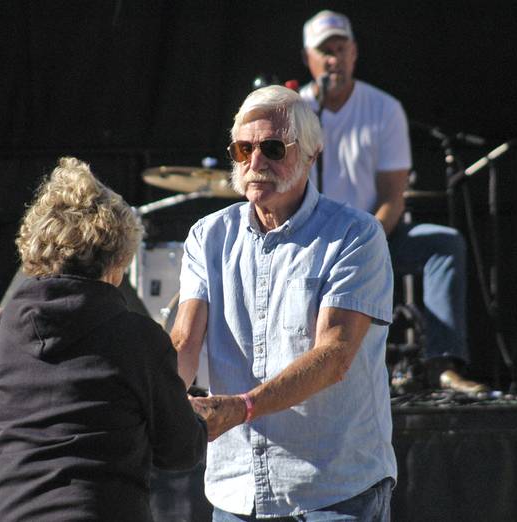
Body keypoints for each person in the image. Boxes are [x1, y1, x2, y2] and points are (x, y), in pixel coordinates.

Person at [171, 85, 396, 520]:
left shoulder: (356, 235)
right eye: (243, 149)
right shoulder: (207, 236)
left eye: (273, 148)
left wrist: (243, 407)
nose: (256, 163)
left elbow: (334, 356)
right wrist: (158, 402)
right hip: (237, 492)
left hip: (333, 488)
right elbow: (183, 341)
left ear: (311, 156)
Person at [0, 157, 207, 521]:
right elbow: (179, 451)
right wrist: (203, 416)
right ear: (118, 258)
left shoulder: (5, 336)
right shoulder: (137, 338)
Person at [297, 10, 486, 393]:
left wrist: (363, 242)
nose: (333, 58)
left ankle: (442, 366)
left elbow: (392, 198)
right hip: (309, 241)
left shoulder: (384, 108)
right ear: (308, 59)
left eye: (340, 48)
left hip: (375, 235)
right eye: (324, 51)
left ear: (354, 53)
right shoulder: (296, 112)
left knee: (444, 244)